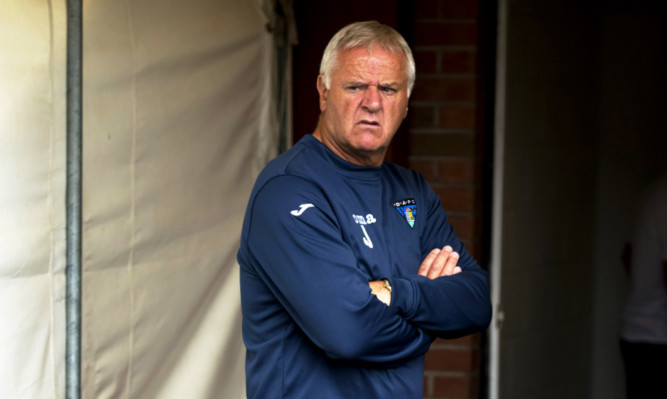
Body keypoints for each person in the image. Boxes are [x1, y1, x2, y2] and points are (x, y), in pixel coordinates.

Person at [237, 21, 492, 398]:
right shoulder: (288, 192)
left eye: (388, 89)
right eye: (355, 87)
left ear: (406, 101)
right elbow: (348, 334)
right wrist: (433, 316)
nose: (372, 103)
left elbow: (475, 301)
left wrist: (396, 294)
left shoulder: (413, 192)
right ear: (323, 92)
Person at [620, 173, 667, 399]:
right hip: (656, 340)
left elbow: (627, 256)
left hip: (640, 332)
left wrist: (643, 285)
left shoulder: (653, 192)